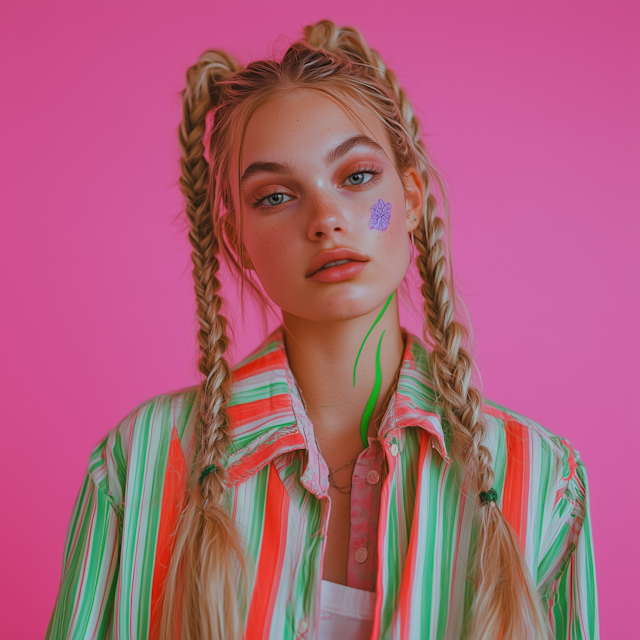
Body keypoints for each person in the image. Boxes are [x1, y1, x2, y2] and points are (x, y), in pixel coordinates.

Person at [46, 20, 598, 640]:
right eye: (276, 197)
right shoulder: (140, 463)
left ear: (409, 198)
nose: (327, 220)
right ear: (238, 239)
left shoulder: (542, 482)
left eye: (359, 178)